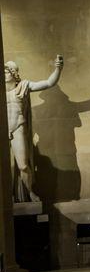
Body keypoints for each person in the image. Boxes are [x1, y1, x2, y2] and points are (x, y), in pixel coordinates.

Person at [5, 55, 63, 202]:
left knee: (23, 166)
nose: (4, 73)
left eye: (7, 71)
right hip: (3, 131)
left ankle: (30, 192)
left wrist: (58, 68)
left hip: (18, 128)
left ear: (14, 73)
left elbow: (49, 83)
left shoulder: (23, 86)